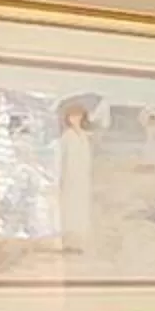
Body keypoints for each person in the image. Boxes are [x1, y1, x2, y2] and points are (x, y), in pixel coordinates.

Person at [55, 98, 96, 254]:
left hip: (82, 178)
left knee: (80, 209)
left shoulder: (84, 136)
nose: (75, 119)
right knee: (68, 209)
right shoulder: (67, 136)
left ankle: (78, 243)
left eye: (78, 115)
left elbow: (87, 158)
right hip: (69, 177)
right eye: (72, 116)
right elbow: (61, 158)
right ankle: (66, 243)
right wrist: (60, 177)